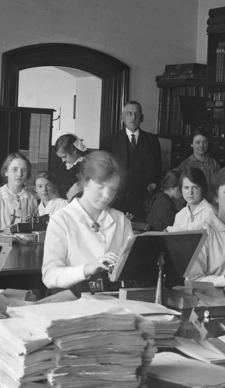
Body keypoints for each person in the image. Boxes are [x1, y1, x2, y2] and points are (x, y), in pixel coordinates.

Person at [42, 150, 133, 293]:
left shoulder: (121, 221)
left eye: (113, 189)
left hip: (111, 300)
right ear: (84, 182)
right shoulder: (62, 219)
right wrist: (87, 269)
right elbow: (49, 275)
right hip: (72, 302)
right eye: (100, 187)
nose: (106, 196)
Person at [100, 101, 162, 219]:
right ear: (122, 117)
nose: (133, 117)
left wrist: (154, 184)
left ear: (141, 118)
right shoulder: (110, 140)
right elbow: (104, 169)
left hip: (143, 199)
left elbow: (158, 169)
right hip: (118, 197)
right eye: (129, 113)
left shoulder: (152, 140)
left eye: (137, 114)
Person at [0, 152, 40, 233]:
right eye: (15, 169)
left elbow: (36, 230)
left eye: (24, 170)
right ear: (6, 172)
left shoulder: (31, 199)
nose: (19, 174)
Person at [168, 167, 214, 232]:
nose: (190, 192)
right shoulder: (180, 215)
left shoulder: (212, 213)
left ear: (202, 188)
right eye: (186, 187)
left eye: (195, 187)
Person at [54, 134, 88, 201]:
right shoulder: (66, 165)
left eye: (64, 157)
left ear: (74, 151)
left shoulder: (83, 166)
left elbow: (69, 186)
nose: (63, 160)